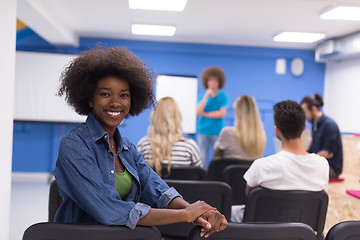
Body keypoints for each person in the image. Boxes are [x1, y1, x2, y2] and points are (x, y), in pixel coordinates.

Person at [54, 47, 227, 237]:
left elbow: (158, 190)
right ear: (89, 99)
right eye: (105, 94)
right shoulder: (73, 145)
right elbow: (109, 210)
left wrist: (198, 213)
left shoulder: (127, 147)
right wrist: (185, 214)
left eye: (124, 95)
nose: (115, 102)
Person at [231, 100, 329, 223]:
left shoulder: (261, 166)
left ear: (276, 130)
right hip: (301, 233)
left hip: (262, 232)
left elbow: (249, 200)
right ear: (304, 127)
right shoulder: (322, 164)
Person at [137, 97, 202, 177]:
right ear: (178, 117)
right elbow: (200, 179)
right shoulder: (190, 147)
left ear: (154, 117)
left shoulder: (143, 145)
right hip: (183, 190)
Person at [301, 93, 343, 178]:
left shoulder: (330, 125)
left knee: (303, 173)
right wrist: (300, 157)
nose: (304, 116)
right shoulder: (314, 125)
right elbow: (312, 149)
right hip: (318, 165)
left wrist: (307, 160)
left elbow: (328, 153)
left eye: (305, 112)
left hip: (331, 168)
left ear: (313, 109)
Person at [213, 95, 266, 160]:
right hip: (251, 170)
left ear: (237, 111)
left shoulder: (227, 132)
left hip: (229, 169)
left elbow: (217, 154)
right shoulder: (260, 136)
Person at [196, 66, 229, 168]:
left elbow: (221, 113)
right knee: (203, 157)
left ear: (219, 82)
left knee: (217, 157)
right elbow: (198, 111)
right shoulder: (202, 96)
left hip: (217, 131)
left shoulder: (223, 96)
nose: (213, 83)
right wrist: (206, 96)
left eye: (215, 81)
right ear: (207, 82)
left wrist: (205, 114)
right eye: (210, 81)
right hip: (203, 131)